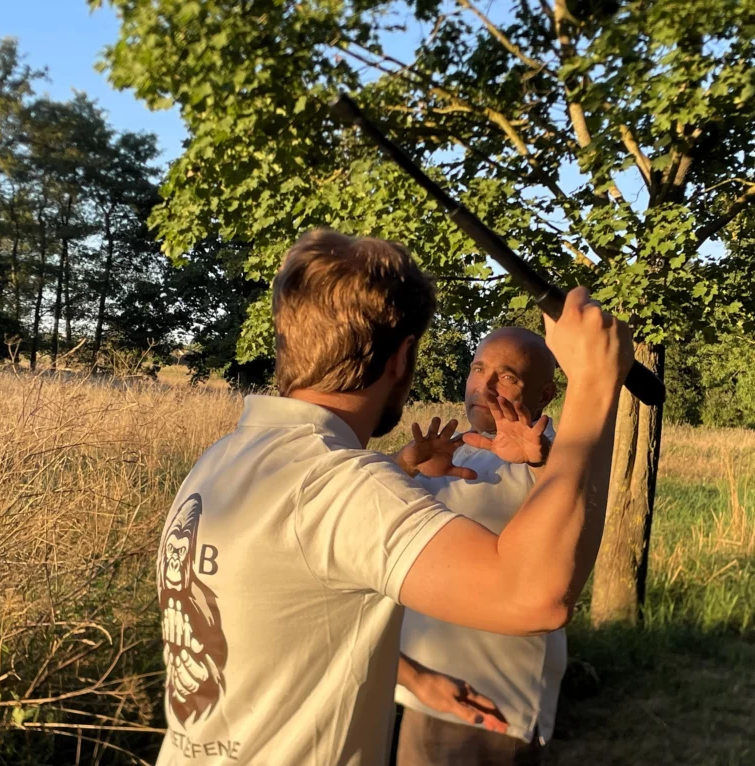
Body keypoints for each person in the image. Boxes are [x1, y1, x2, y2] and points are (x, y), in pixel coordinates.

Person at [154, 229, 633, 766]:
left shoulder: (224, 461)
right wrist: (594, 384)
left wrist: (416, 678)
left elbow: (313, 611)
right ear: (403, 358)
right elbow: (536, 596)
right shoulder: (337, 485)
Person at [394, 328, 565, 765]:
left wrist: (542, 461)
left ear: (545, 393)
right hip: (425, 686)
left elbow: (567, 517)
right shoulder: (454, 450)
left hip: (485, 702)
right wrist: (405, 467)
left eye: (506, 377)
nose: (484, 386)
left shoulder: (551, 457)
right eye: (477, 369)